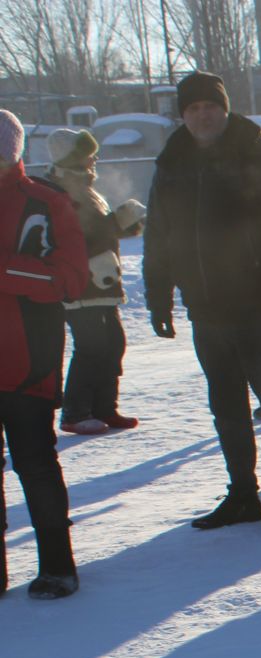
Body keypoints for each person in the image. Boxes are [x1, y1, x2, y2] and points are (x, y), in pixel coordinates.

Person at [145, 71, 261, 535]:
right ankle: (242, 495)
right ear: (183, 114)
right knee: (228, 409)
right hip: (207, 309)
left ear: (225, 109)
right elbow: (158, 234)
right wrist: (159, 295)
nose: (203, 115)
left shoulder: (259, 154)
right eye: (193, 108)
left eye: (210, 107)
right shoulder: (172, 163)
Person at [0, 109, 86, 599]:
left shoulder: (45, 202)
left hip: (27, 361)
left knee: (34, 462)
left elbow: (70, 279)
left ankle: (58, 565)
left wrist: (6, 270)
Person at [44, 127, 143, 435]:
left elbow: (99, 231)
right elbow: (76, 238)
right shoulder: (61, 193)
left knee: (112, 343)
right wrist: (118, 221)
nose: (94, 160)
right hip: (81, 285)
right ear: (75, 159)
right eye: (89, 155)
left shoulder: (85, 190)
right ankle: (75, 411)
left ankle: (104, 407)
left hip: (102, 283)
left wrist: (126, 225)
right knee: (91, 347)